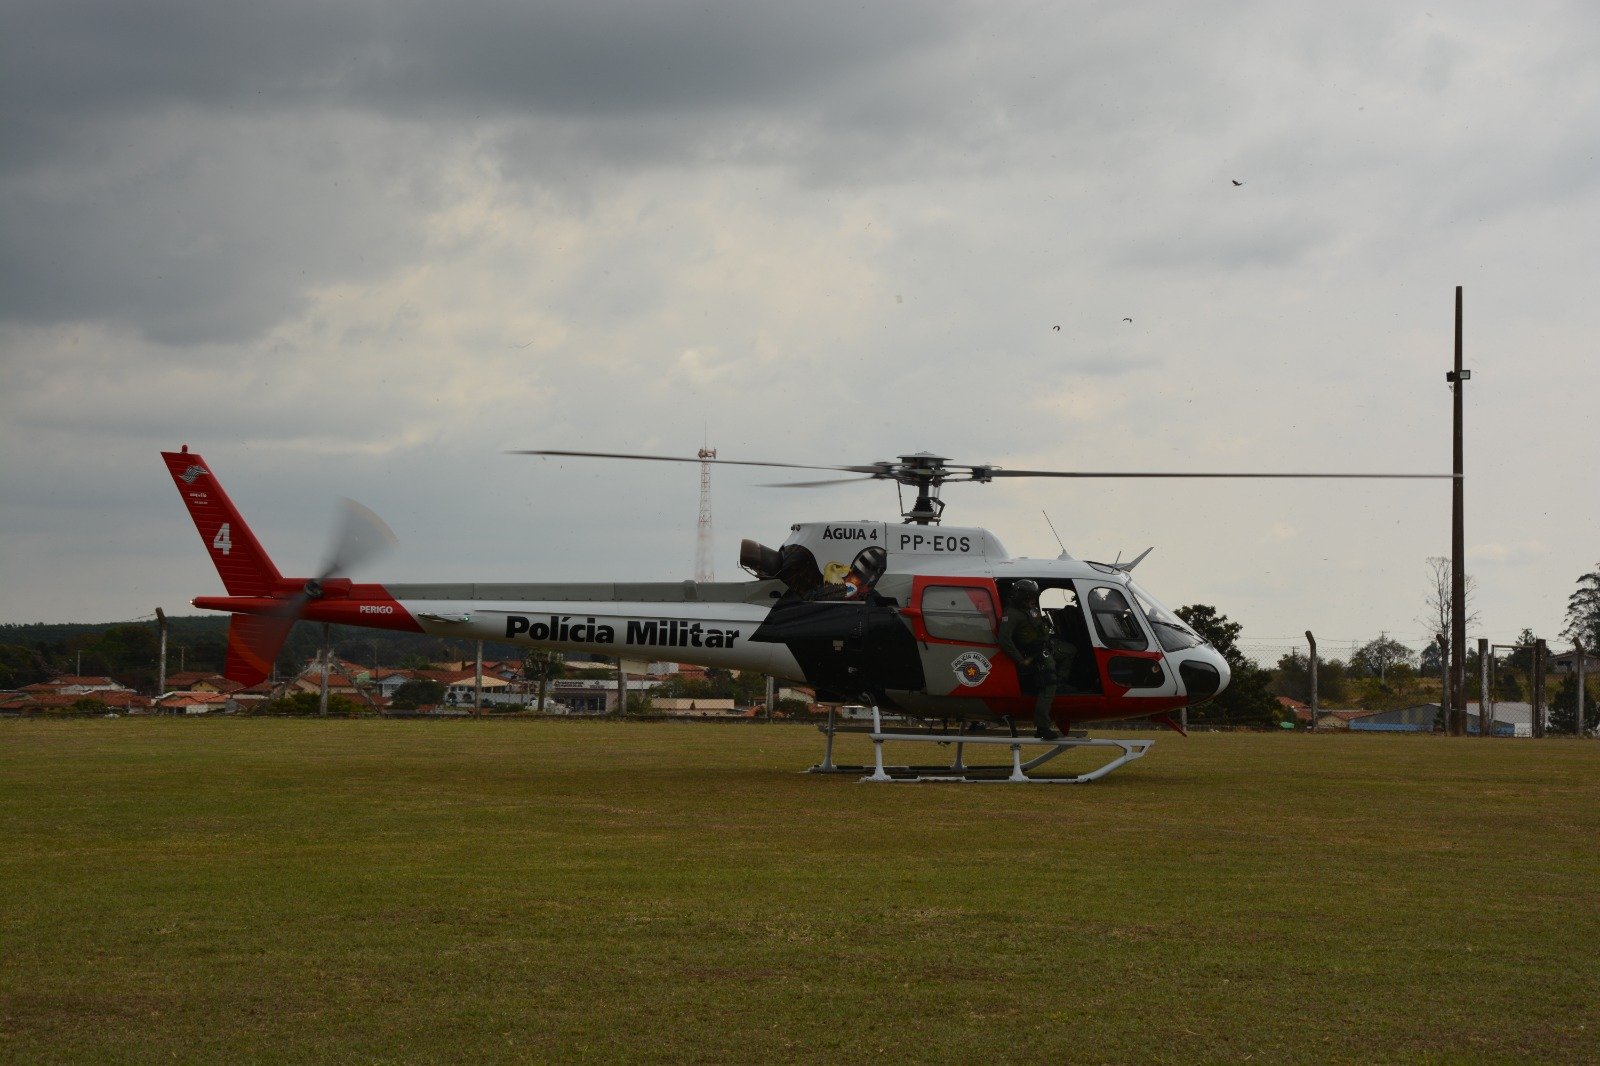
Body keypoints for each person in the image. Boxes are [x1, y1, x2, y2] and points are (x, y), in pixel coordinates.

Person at [996, 579, 1065, 740]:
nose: (1033, 600)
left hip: (1045, 646)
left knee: (1070, 651)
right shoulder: (1011, 614)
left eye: (1034, 597)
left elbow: (1039, 627)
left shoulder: (1030, 609)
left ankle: (1060, 679)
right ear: (1021, 597)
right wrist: (1021, 659)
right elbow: (1005, 640)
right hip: (1034, 653)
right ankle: (1042, 727)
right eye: (1030, 597)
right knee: (1049, 685)